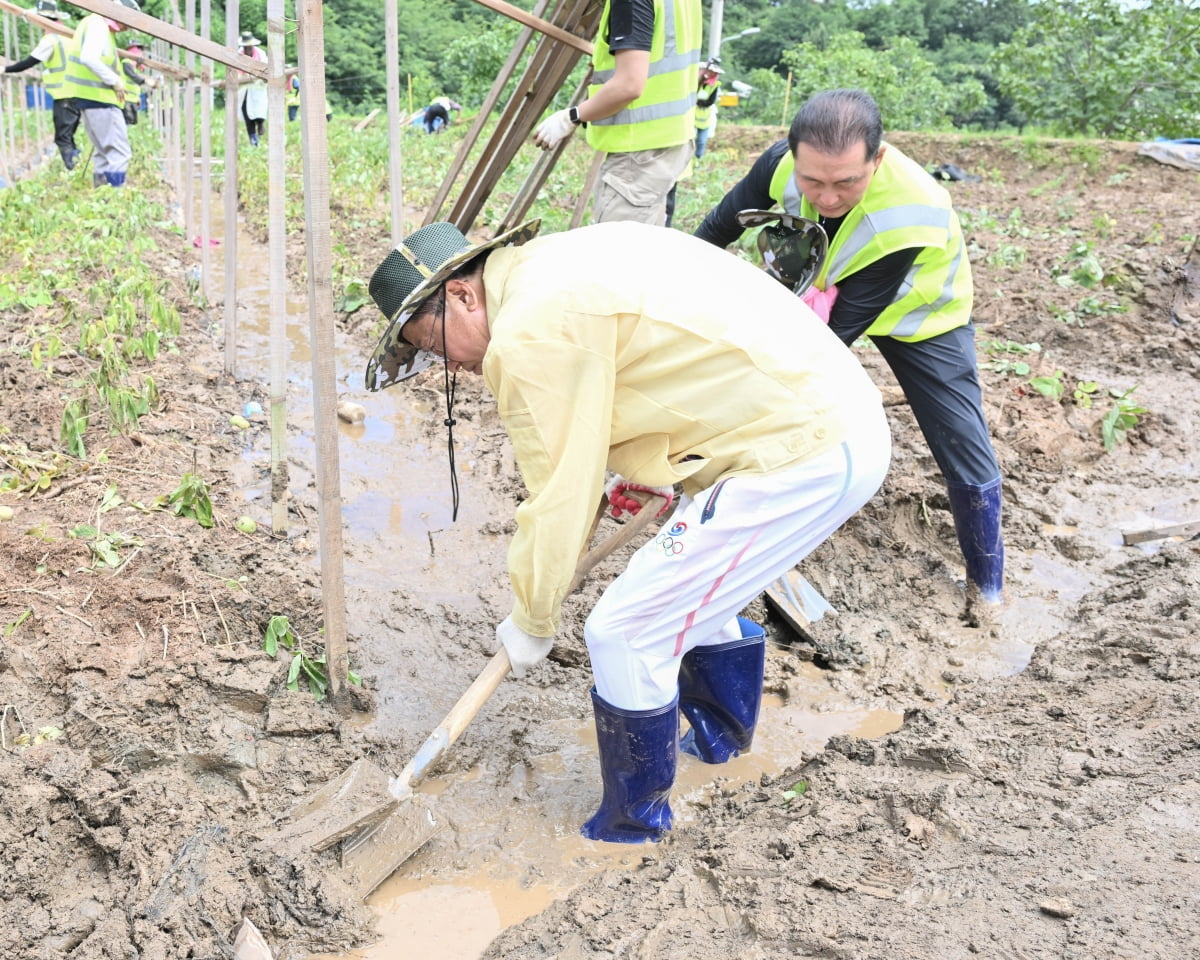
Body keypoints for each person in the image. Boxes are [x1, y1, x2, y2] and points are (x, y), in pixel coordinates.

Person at [363, 219, 891, 843]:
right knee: (686, 592)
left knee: (625, 632)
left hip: (801, 451)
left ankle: (631, 828)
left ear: (460, 296)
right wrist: (648, 469)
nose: (452, 366)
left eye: (437, 345)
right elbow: (650, 371)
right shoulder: (550, 266)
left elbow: (559, 495)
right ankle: (721, 744)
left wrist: (532, 618)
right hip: (819, 412)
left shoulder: (529, 333)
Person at [695, 88, 1005, 604]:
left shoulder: (911, 211)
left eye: (846, 182)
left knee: (959, 437)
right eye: (811, 180)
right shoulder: (778, 164)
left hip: (920, 315)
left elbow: (829, 343)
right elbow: (716, 230)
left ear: (877, 159)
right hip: (821, 283)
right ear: (793, 155)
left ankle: (987, 586)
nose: (828, 196)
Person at [532, 0, 702, 226]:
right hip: (671, 145)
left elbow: (629, 84)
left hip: (638, 155)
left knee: (618, 257)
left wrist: (571, 116)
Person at [62, 0, 139, 188]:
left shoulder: (90, 23)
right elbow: (89, 58)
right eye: (127, 22)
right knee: (120, 154)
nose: (127, 28)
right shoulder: (99, 26)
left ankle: (101, 198)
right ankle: (115, 198)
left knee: (103, 152)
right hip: (101, 100)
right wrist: (115, 80)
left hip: (91, 101)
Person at [2, 0, 81, 170]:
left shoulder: (51, 40)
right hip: (77, 93)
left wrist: (5, 69)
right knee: (68, 135)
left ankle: (74, 169)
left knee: (63, 138)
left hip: (65, 94)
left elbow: (29, 62)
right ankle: (77, 166)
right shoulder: (69, 37)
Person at [236, 30, 267, 146]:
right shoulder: (239, 54)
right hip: (244, 87)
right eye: (245, 47)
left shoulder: (261, 54)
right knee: (246, 113)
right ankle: (253, 140)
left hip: (257, 86)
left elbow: (265, 69)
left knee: (259, 109)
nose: (247, 50)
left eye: (249, 47)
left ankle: (260, 124)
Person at [693, 57, 722, 159]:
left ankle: (698, 158)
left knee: (701, 141)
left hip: (705, 116)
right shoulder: (697, 79)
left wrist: (699, 102)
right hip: (691, 114)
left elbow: (710, 101)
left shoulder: (715, 85)